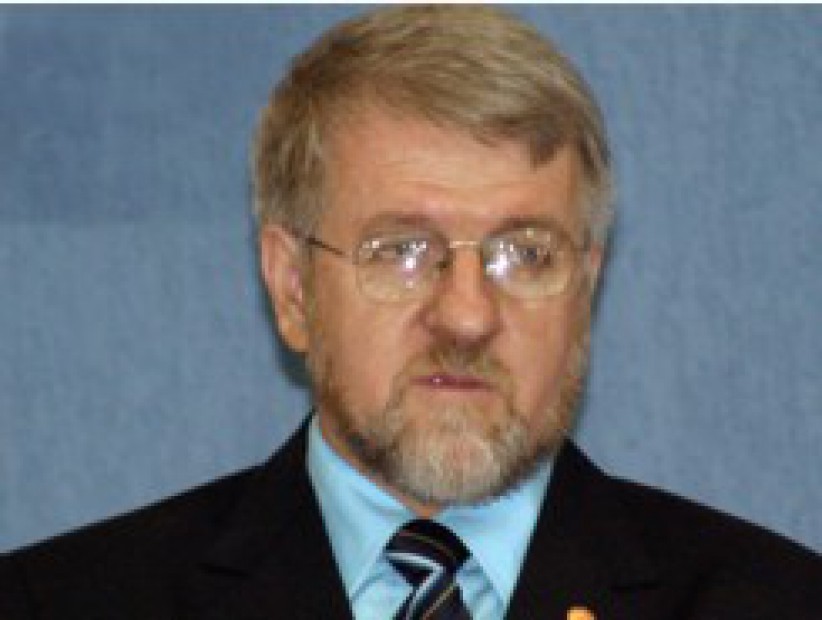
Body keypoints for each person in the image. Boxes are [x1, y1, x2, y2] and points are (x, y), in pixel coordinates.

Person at [1, 6, 820, 619]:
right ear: (292, 287)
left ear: (587, 286)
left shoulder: (779, 602)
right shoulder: (60, 602)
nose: (466, 316)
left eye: (524, 254)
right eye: (400, 250)